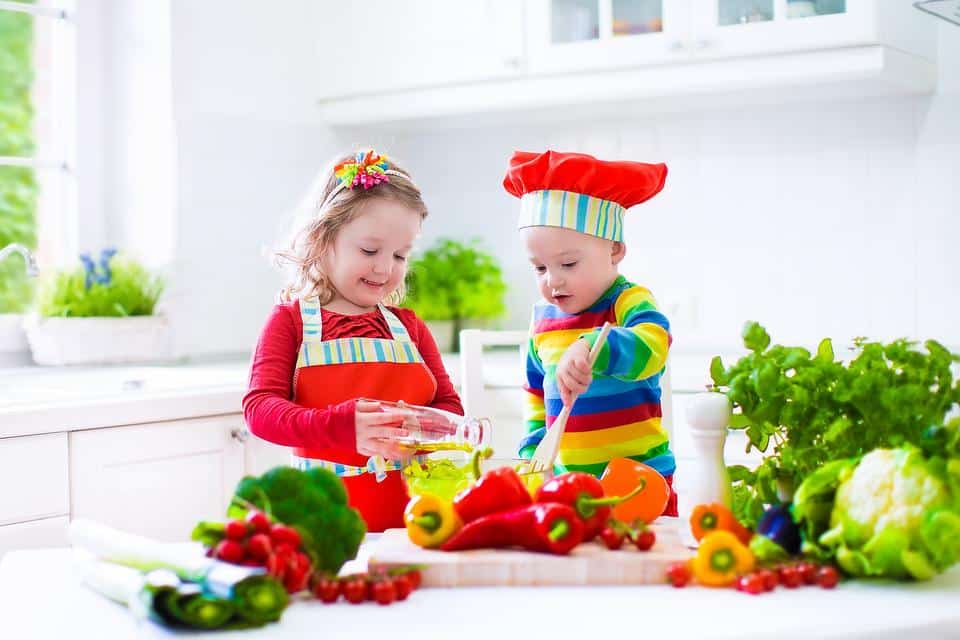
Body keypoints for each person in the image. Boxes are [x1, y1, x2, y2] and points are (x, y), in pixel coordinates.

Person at [243, 150, 463, 532]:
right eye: (369, 250)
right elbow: (260, 410)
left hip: (409, 526)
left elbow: (450, 409)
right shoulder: (291, 322)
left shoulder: (409, 328)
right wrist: (339, 427)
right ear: (322, 239)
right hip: (321, 527)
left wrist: (421, 427)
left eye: (400, 255)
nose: (385, 267)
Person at [503, 149, 677, 516]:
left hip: (640, 485)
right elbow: (537, 395)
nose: (553, 280)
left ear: (615, 250)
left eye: (568, 263)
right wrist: (532, 454)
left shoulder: (628, 301)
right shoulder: (543, 322)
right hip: (569, 490)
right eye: (539, 268)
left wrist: (591, 346)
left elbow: (654, 346)